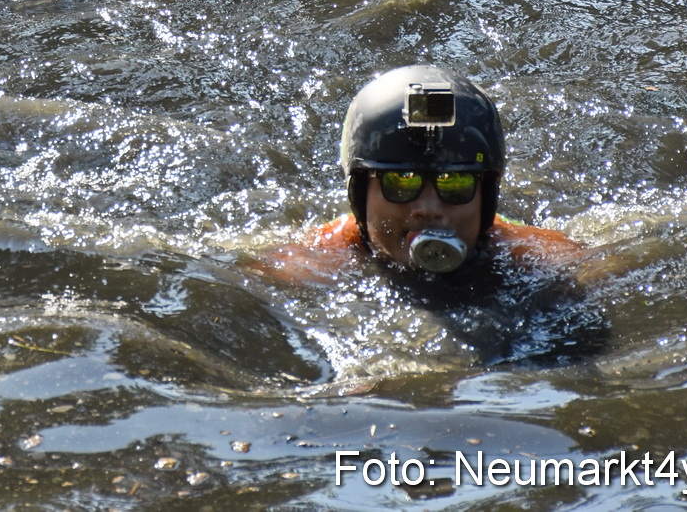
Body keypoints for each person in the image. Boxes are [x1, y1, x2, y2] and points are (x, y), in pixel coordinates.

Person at [245, 65, 605, 362]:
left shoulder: (541, 260)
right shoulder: (310, 264)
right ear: (358, 193)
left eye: (455, 182)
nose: (429, 209)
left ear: (487, 195)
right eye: (401, 181)